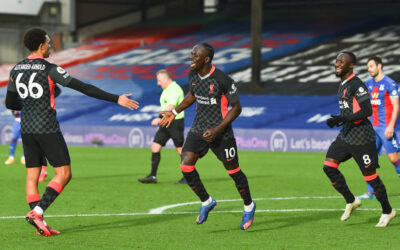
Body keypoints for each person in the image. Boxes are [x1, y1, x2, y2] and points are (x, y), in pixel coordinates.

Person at [5, 27, 139, 237]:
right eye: (49, 43)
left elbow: (10, 102)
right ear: (41, 46)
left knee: (32, 176)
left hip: (27, 128)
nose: (51, 46)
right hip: (46, 127)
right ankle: (38, 213)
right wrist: (117, 98)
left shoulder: (15, 70)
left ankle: (40, 222)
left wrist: (29, 105)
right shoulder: (49, 69)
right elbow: (83, 87)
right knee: (64, 173)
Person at [160, 43, 256, 230]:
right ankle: (206, 201)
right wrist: (174, 111)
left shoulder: (223, 80)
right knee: (185, 165)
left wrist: (217, 130)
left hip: (221, 132)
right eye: (191, 54)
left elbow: (237, 108)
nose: (191, 58)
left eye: (195, 55)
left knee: (234, 172)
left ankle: (249, 206)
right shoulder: (193, 74)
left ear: (206, 59)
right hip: (198, 129)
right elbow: (192, 95)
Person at [324, 51, 396, 227]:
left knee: (371, 177)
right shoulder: (343, 84)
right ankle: (351, 200)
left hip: (362, 137)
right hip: (347, 135)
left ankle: (388, 211)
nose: (337, 63)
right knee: (329, 167)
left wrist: (343, 119)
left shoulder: (358, 84)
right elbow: (349, 111)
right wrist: (339, 119)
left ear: (351, 65)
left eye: (342, 61)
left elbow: (366, 110)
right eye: (336, 60)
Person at [357, 56, 400, 199]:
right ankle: (371, 192)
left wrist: (391, 127)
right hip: (372, 128)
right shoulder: (368, 84)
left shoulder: (389, 83)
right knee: (368, 159)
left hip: (386, 127)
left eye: (371, 66)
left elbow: (396, 106)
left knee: (394, 158)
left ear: (379, 66)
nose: (369, 69)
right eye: (368, 67)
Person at [138, 69, 187, 184]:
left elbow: (171, 106)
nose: (158, 83)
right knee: (155, 146)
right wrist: (161, 124)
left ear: (166, 79)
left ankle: (188, 177)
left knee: (180, 150)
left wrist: (159, 118)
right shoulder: (166, 90)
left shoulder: (175, 89)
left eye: (159, 80)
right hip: (166, 123)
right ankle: (153, 176)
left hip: (175, 122)